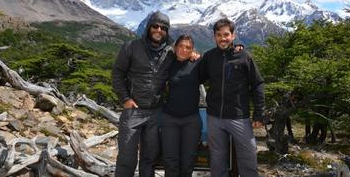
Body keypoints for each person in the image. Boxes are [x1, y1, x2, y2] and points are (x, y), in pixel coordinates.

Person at [200, 18, 265, 177]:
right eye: (219, 35)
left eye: (226, 34)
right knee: (217, 160)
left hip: (239, 117)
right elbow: (197, 78)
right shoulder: (208, 57)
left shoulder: (244, 56)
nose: (223, 38)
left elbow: (257, 84)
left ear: (233, 36)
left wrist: (259, 114)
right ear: (214, 37)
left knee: (248, 159)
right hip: (214, 117)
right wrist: (192, 57)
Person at [112, 11, 174, 177]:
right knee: (126, 157)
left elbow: (186, 55)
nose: (158, 30)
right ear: (148, 27)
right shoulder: (131, 47)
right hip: (133, 110)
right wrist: (125, 99)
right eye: (155, 26)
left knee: (149, 158)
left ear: (167, 31)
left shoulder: (170, 52)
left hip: (156, 112)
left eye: (163, 28)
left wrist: (194, 54)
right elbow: (117, 74)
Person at [161, 35, 202, 177]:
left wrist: (237, 48)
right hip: (169, 119)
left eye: (188, 48)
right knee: (170, 161)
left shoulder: (198, 64)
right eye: (181, 46)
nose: (184, 50)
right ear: (175, 47)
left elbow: (217, 65)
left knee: (188, 161)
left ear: (193, 50)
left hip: (191, 120)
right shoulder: (167, 63)